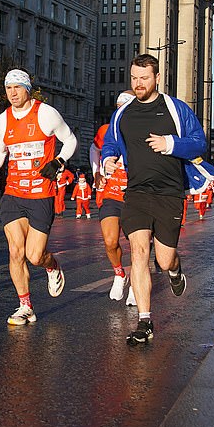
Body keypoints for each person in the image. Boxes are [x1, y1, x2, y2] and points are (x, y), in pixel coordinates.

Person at [101, 54, 214, 347]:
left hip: (169, 193)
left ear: (156, 79)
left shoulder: (176, 109)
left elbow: (199, 142)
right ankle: (144, 321)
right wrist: (108, 160)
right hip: (137, 192)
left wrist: (171, 144)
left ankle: (175, 270)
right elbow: (111, 142)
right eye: (134, 78)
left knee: (164, 260)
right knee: (139, 253)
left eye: (144, 78)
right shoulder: (123, 113)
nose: (138, 84)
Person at [0, 69, 77, 326]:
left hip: (41, 194)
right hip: (13, 193)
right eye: (8, 88)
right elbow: (0, 150)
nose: (12, 93)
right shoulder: (4, 119)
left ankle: (52, 266)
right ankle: (25, 306)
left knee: (35, 256)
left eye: (17, 88)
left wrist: (59, 161)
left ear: (27, 89)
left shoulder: (45, 114)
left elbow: (71, 141)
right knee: (15, 252)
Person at [90, 90, 135, 303]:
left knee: (138, 246)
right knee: (110, 241)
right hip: (112, 192)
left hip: (137, 194)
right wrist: (96, 171)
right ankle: (119, 274)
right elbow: (93, 147)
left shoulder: (143, 130)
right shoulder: (107, 129)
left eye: (124, 106)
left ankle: (137, 285)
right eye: (117, 106)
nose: (120, 110)